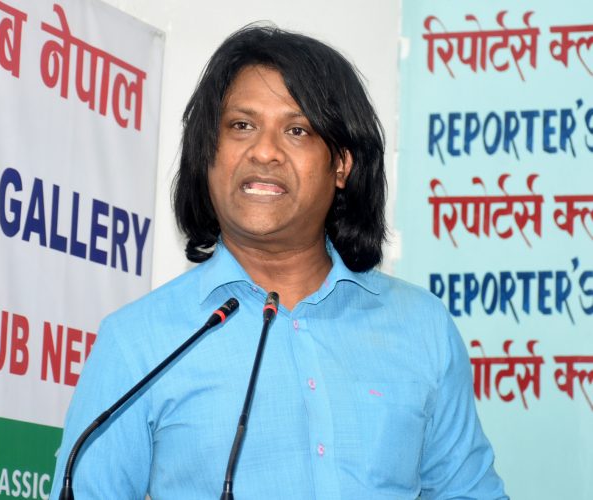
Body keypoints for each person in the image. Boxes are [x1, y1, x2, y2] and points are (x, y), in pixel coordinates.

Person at [51, 25, 507, 499]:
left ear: (342, 164)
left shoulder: (421, 326)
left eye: (297, 130)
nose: (264, 151)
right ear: (207, 154)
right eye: (241, 126)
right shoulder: (140, 342)